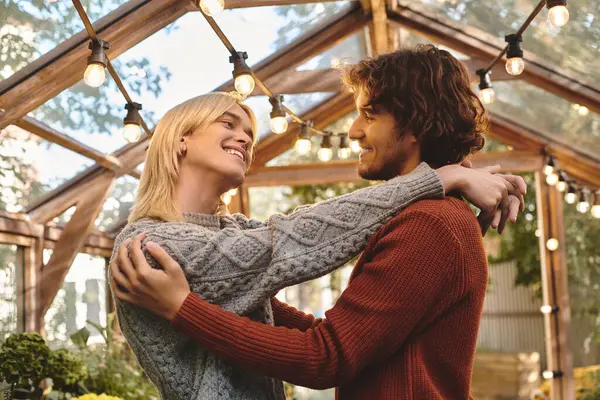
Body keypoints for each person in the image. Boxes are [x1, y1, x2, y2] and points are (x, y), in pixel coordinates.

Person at [110, 48, 526, 400]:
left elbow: (327, 354)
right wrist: (446, 176)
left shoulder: (431, 223)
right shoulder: (150, 242)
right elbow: (293, 270)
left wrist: (187, 309)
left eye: (370, 113)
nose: (354, 130)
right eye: (227, 123)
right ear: (179, 138)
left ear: (415, 123)